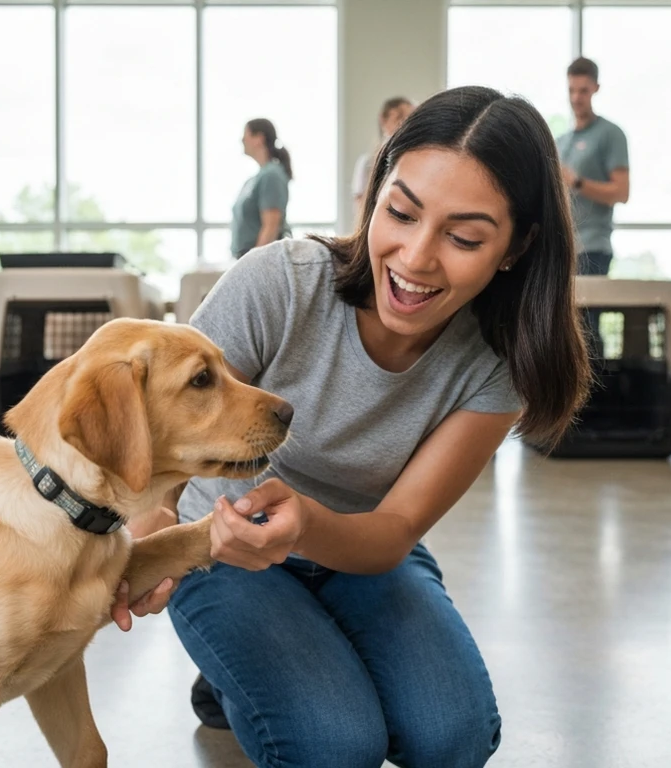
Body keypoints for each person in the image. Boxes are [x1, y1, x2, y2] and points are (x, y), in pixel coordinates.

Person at [111, 86, 591, 768]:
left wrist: (306, 523)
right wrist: (155, 528)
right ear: (376, 192)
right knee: (336, 747)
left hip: (359, 549)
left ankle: (282, 657)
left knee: (453, 739)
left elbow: (395, 528)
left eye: (463, 237)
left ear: (516, 247)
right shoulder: (280, 282)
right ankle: (239, 669)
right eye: (401, 212)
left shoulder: (496, 363)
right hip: (222, 544)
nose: (416, 257)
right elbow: (163, 439)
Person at [557, 57, 630, 277]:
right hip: (562, 249)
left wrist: (577, 183)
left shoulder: (610, 134)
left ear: (595, 89)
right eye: (571, 90)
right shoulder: (561, 142)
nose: (576, 98)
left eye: (583, 91)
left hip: (593, 249)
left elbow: (621, 192)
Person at [230, 118, 291, 259]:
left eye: (246, 135)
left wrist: (254, 264)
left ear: (259, 138)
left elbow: (271, 226)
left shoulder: (271, 175)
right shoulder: (256, 178)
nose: (242, 140)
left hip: (259, 261)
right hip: (245, 258)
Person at [351, 96, 414, 219]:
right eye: (399, 118)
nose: (404, 125)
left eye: (410, 119)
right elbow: (360, 205)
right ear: (383, 120)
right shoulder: (367, 163)